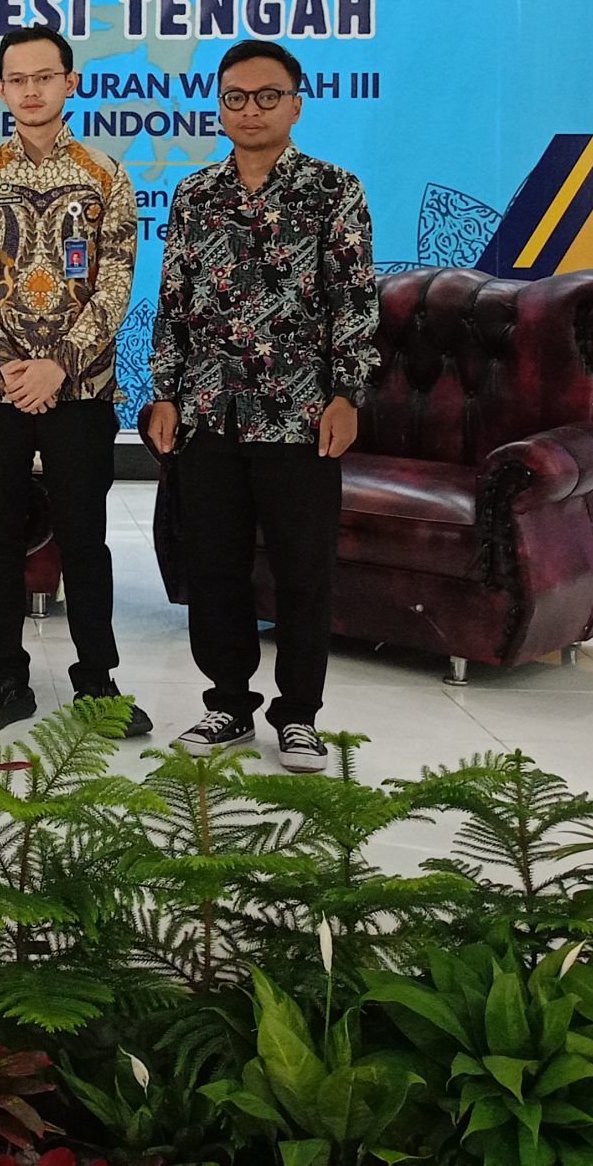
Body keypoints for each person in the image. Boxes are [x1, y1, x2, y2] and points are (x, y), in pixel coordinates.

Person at [143, 39, 379, 774]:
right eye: (236, 98)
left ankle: (299, 715)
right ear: (219, 107)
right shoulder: (195, 194)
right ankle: (227, 703)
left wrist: (347, 394)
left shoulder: (334, 190)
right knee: (214, 566)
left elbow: (354, 301)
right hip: (209, 411)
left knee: (303, 571)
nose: (251, 110)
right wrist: (163, 392)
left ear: (296, 104)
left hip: (299, 415)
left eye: (268, 96)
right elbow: (174, 301)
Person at [0, 23, 146, 737]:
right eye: (18, 79)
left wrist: (59, 363)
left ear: (71, 83)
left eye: (45, 77)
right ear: (1, 88)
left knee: (85, 538)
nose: (31, 91)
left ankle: (97, 683)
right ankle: (3, 677)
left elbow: (116, 281)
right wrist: (8, 365)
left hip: (80, 386)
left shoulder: (106, 175)